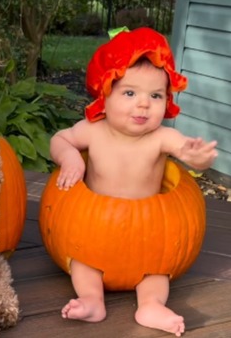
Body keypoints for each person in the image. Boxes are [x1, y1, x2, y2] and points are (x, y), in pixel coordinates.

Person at [50, 27, 218, 336]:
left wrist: (199, 157)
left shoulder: (162, 138)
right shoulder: (93, 131)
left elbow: (184, 150)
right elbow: (60, 139)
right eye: (130, 93)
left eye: (155, 96)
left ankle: (151, 305)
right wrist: (70, 157)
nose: (143, 104)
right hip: (92, 229)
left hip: (149, 234)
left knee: (157, 272)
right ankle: (91, 300)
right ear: (105, 93)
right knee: (82, 264)